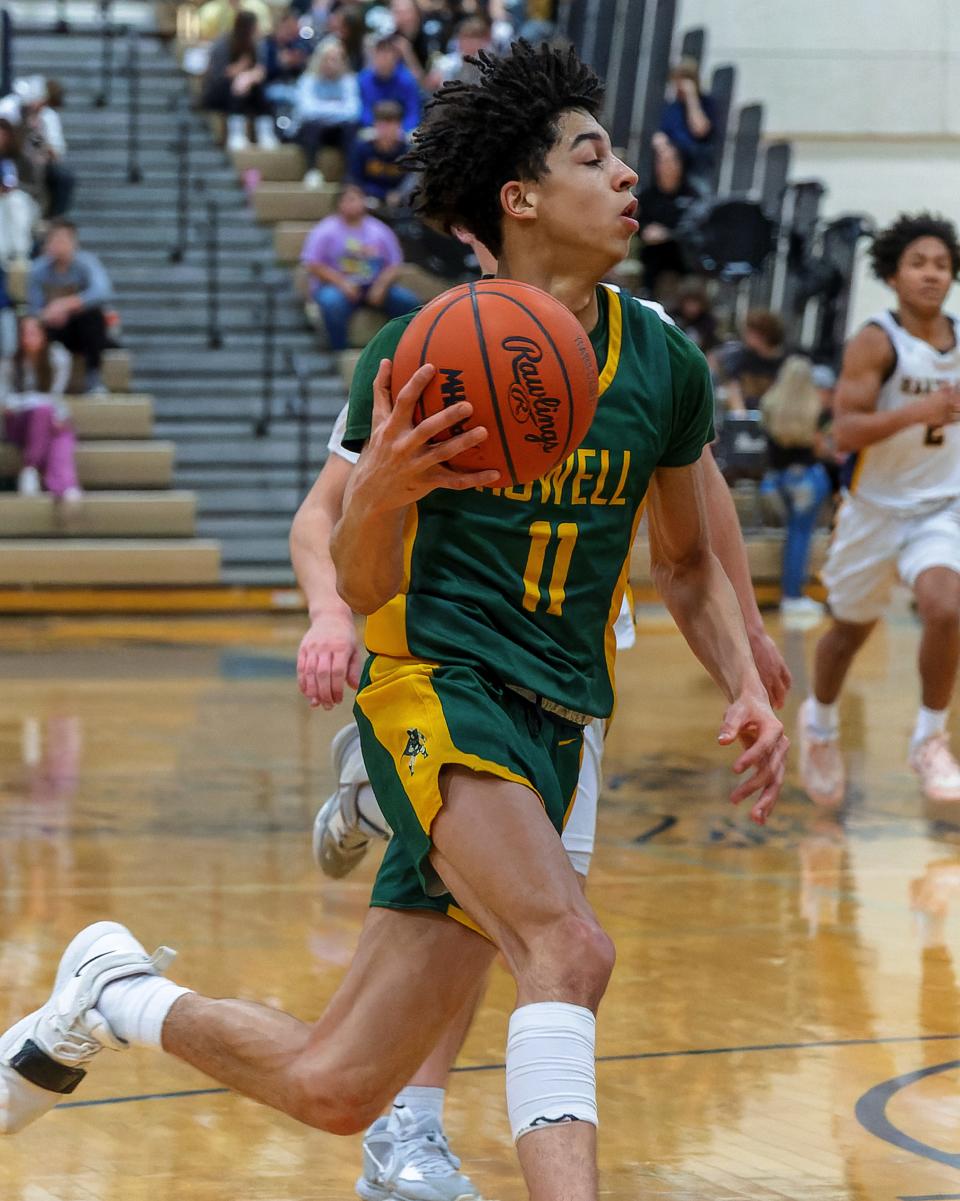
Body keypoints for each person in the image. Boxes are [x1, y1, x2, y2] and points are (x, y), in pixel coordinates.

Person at [0, 46, 787, 1201]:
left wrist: (747, 680)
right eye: (593, 154)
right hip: (438, 689)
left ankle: (113, 993)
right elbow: (364, 576)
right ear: (518, 200)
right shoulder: (422, 355)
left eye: (620, 154)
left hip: (562, 709)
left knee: (336, 1085)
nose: (627, 175)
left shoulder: (662, 359)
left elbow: (683, 560)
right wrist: (379, 496)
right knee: (568, 947)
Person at [798, 212, 960, 807]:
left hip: (940, 509)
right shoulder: (877, 339)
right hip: (872, 511)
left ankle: (929, 739)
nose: (931, 274)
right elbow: (844, 431)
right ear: (893, 274)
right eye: (919, 263)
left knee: (946, 607)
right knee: (846, 635)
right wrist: (917, 413)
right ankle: (818, 726)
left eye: (941, 265)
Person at [757, 356, 832, 629]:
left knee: (791, 536)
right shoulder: (814, 408)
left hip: (774, 480)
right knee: (801, 537)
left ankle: (789, 595)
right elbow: (821, 448)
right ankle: (793, 596)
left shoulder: (769, 404)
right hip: (807, 480)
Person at [300, 183, 419, 351]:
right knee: (332, 303)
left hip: (374, 284)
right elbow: (312, 264)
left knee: (408, 302)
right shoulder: (325, 230)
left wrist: (381, 286)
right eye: (349, 200)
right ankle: (339, 351)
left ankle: (404, 349)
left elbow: (395, 264)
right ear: (339, 204)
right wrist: (342, 283)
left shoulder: (380, 230)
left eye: (358, 199)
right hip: (337, 286)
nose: (355, 203)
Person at [1, 316, 82, 506]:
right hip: (18, 425)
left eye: (33, 333)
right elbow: (5, 401)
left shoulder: (56, 358)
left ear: (44, 335)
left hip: (44, 419)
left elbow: (56, 396)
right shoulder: (9, 363)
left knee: (62, 433)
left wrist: (56, 415)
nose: (28, 338)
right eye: (24, 333)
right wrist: (36, 404)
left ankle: (65, 485)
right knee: (44, 412)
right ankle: (31, 466)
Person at [26, 220, 113, 395]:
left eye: (63, 240)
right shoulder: (38, 269)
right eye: (54, 240)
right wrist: (48, 315)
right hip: (52, 325)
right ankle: (33, 382)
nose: (59, 245)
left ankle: (93, 379)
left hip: (81, 326)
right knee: (30, 328)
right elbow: (33, 307)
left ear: (74, 242)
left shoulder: (86, 263)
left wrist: (65, 305)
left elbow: (102, 291)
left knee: (94, 317)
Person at [202, 11, 279, 151]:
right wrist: (239, 71)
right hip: (219, 90)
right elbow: (217, 74)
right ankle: (236, 134)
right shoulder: (223, 43)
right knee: (234, 88)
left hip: (247, 86)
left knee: (259, 89)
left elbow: (260, 71)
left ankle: (265, 133)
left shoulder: (256, 44)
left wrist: (246, 78)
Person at [291, 36, 360, 187]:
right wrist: (336, 108)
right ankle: (312, 171)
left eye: (335, 59)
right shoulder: (308, 79)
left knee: (352, 128)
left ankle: (350, 176)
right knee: (311, 126)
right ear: (319, 59)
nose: (331, 64)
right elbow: (307, 111)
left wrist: (322, 110)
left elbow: (353, 112)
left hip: (337, 130)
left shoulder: (349, 80)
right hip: (313, 130)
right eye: (327, 59)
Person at [635, 136, 696, 301]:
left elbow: (695, 230)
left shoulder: (692, 196)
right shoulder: (648, 196)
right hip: (651, 263)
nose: (665, 167)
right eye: (660, 161)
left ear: (680, 164)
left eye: (670, 161)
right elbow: (639, 224)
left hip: (682, 264)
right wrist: (645, 230)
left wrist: (668, 234)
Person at [656, 58, 716, 193]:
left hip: (695, 163)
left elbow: (700, 129)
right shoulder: (672, 108)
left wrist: (691, 98)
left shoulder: (705, 103)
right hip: (674, 161)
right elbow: (662, 132)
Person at [716, 309, 787, 412]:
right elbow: (732, 388)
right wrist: (740, 414)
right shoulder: (741, 357)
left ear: (764, 335)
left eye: (750, 332)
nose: (745, 336)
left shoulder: (785, 362)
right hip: (745, 415)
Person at [347, 98, 410, 208]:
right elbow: (354, 179)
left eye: (391, 124)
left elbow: (412, 180)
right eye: (382, 124)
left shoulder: (408, 150)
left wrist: (399, 194)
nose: (386, 130)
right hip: (369, 199)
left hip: (400, 201)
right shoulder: (362, 148)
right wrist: (383, 194)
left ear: (399, 125)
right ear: (375, 124)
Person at [357, 35, 421, 133]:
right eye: (380, 53)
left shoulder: (407, 80)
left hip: (401, 131)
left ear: (396, 57)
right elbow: (363, 111)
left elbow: (413, 113)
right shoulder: (363, 79)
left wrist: (399, 130)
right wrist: (380, 129)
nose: (384, 58)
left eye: (387, 53)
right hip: (373, 129)